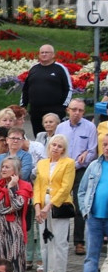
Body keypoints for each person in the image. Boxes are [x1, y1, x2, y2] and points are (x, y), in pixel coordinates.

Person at [33, 134, 76, 272]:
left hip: (58, 205)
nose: (55, 148)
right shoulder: (42, 163)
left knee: (60, 241)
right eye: (53, 145)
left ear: (63, 149)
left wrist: (49, 206)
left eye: (59, 146)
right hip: (42, 203)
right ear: (49, 146)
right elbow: (37, 186)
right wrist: (37, 206)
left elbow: (66, 187)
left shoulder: (68, 163)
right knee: (45, 241)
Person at [57, 100, 98, 254]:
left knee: (80, 205)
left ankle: (79, 242)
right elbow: (56, 146)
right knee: (62, 203)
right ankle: (62, 239)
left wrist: (78, 163)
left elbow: (92, 150)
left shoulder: (90, 127)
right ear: (68, 110)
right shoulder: (61, 127)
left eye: (80, 110)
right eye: (74, 109)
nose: (77, 113)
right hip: (63, 169)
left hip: (81, 170)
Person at [77, 134, 108, 272]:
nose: (107, 148)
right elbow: (82, 191)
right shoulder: (94, 165)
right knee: (91, 255)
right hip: (94, 217)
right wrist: (85, 211)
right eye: (105, 145)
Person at [21, 45, 72, 138]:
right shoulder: (34, 69)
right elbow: (26, 88)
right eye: (42, 52)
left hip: (55, 111)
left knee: (55, 139)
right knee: (39, 137)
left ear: (53, 55)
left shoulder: (60, 69)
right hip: (36, 111)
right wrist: (23, 105)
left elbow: (69, 89)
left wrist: (64, 106)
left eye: (46, 52)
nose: (44, 54)